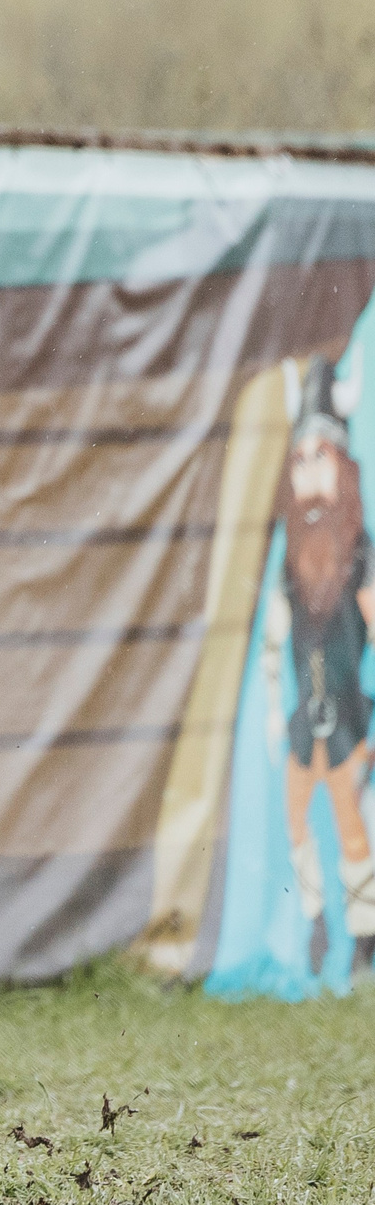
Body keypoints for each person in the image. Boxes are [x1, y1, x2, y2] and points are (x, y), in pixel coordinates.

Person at [263, 355, 375, 977]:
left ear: (343, 467)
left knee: (352, 828)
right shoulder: (292, 559)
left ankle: (363, 940)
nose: (308, 475)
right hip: (305, 718)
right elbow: (277, 638)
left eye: (321, 459)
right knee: (297, 823)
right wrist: (273, 704)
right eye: (299, 460)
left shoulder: (359, 554)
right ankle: (312, 924)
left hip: (353, 720)